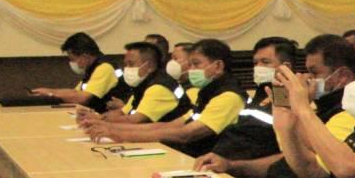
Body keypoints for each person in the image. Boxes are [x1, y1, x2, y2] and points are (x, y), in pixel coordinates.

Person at [196, 34, 355, 178]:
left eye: (314, 73)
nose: (308, 78)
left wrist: (299, 110)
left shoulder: (346, 113)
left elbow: (309, 167)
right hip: (252, 176)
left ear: (343, 76)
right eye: (255, 63)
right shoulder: (269, 96)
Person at [80, 38, 243, 155]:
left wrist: (120, 134)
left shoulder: (229, 96)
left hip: (210, 162)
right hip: (189, 155)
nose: (191, 69)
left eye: (196, 64)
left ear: (218, 66)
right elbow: (170, 125)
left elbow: (186, 134)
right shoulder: (209, 92)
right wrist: (110, 128)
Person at [78, 41, 182, 125]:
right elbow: (122, 112)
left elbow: (135, 120)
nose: (126, 68)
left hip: (168, 143)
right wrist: (95, 116)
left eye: (131, 64)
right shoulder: (142, 85)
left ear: (149, 66)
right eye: (126, 64)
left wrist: (99, 120)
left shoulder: (159, 87)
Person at [34, 32, 125, 110]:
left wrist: (51, 93)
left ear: (84, 56)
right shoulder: (92, 69)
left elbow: (82, 98)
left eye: (72, 59)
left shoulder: (104, 68)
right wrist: (49, 93)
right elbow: (75, 93)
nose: (71, 63)